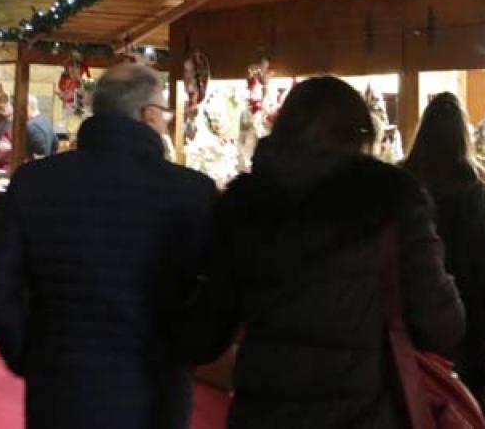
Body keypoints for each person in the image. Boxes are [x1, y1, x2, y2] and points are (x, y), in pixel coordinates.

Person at [181, 76, 465, 428]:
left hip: (265, 411)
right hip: (364, 412)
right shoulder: (391, 202)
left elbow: (207, 332)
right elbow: (442, 325)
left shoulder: (247, 205)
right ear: (360, 134)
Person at [0, 64, 216, 429]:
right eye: (164, 112)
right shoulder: (191, 191)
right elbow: (216, 292)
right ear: (149, 116)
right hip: (155, 386)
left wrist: (29, 354)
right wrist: (183, 354)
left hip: (60, 381)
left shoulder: (36, 182)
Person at [402, 92, 485, 413]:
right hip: (465, 311)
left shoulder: (404, 181)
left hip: (412, 307)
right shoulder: (471, 188)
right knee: (461, 402)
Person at [23, 95, 55, 160]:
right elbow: (55, 144)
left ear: (27, 107)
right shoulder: (46, 121)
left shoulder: (30, 126)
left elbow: (40, 151)